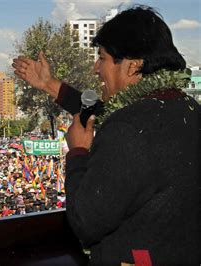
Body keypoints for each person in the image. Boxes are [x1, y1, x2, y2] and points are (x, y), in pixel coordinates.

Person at [13, 5, 199, 265]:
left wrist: (78, 152)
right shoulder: (185, 110)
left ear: (133, 66)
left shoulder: (127, 128)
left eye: (102, 58)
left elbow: (86, 221)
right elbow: (105, 112)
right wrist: (48, 84)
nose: (95, 69)